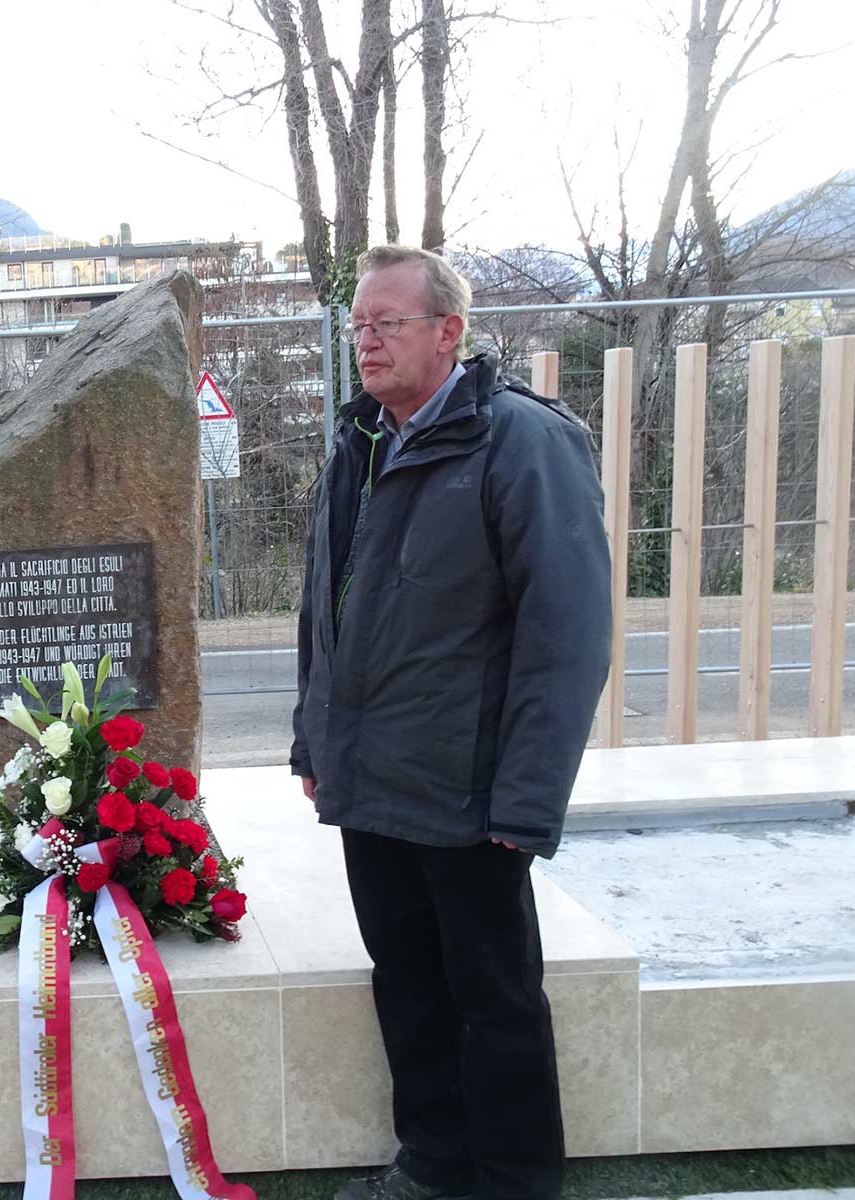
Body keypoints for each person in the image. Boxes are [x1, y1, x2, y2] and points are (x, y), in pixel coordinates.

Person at [290, 244, 611, 1200]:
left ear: (448, 332)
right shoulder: (362, 439)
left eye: (386, 322)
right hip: (372, 781)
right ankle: (432, 1165)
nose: (367, 341)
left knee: (495, 1000)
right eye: (357, 324)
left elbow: (568, 635)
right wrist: (316, 744)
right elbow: (326, 612)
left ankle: (514, 1183)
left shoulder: (522, 442)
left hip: (469, 792)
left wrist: (527, 800)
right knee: (409, 986)